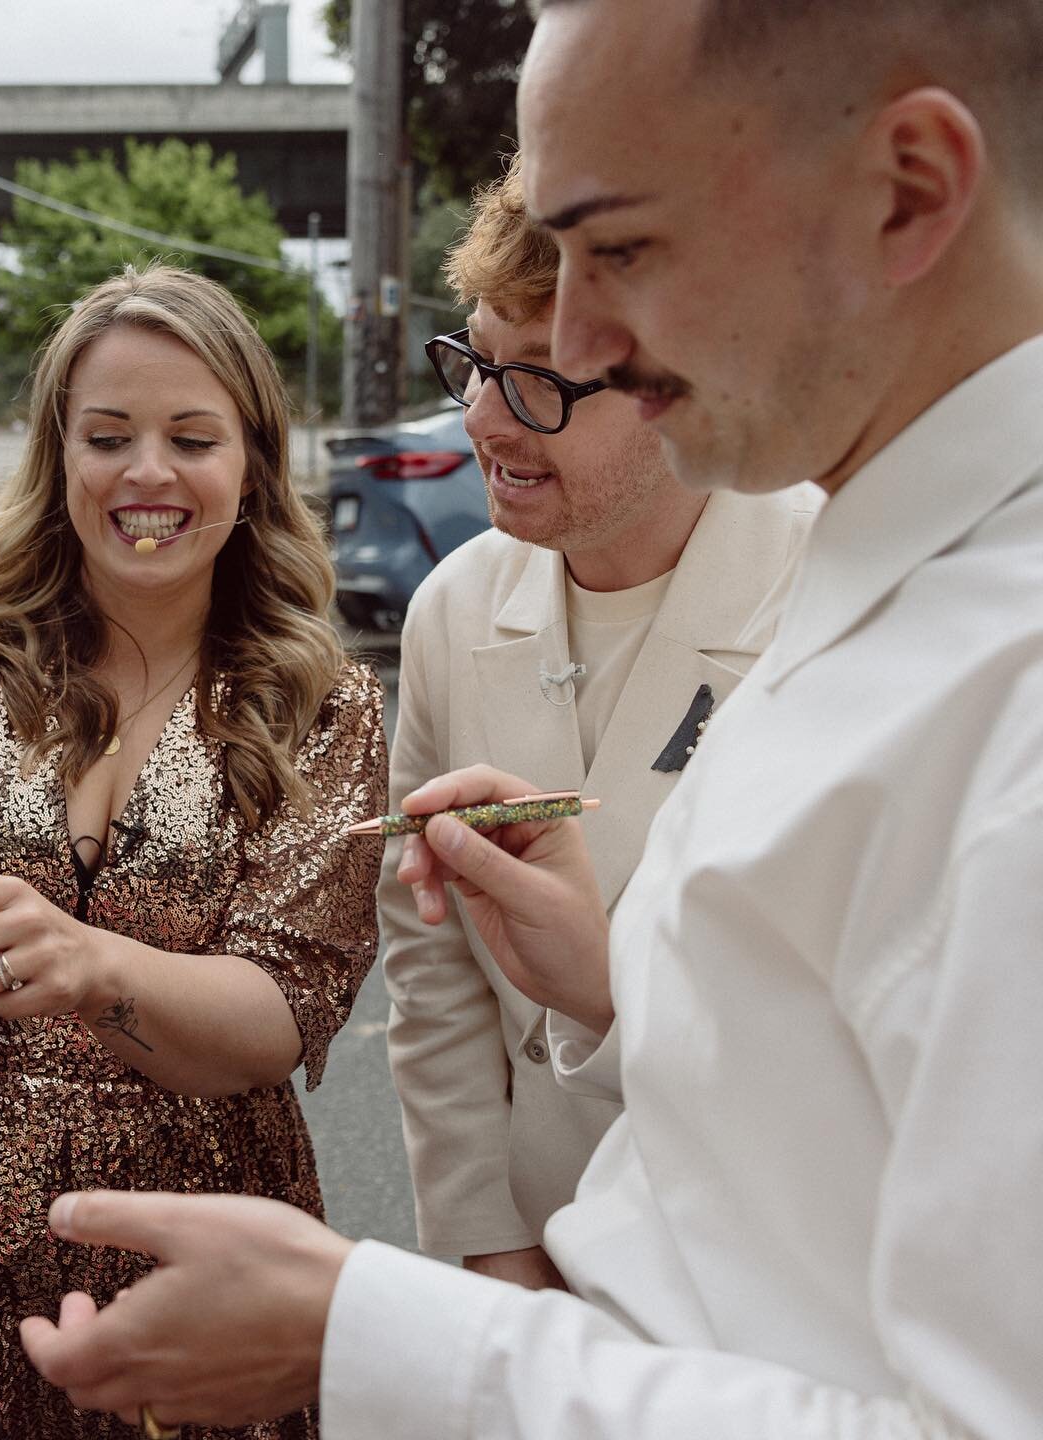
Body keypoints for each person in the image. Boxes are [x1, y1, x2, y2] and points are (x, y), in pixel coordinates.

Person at [17, 1, 1043, 1435]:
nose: (583, 343)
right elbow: (796, 1147)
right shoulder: (893, 564)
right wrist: (610, 989)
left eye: (619, 247)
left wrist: (372, 1334)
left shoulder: (1009, 704)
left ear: (910, 191)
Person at [0, 263, 389, 1440]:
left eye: (193, 436)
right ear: (57, 455)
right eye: (109, 435)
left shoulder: (321, 705)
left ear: (253, 463)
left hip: (197, 1234)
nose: (149, 474)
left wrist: (92, 965)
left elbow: (283, 1011)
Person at [384, 152, 816, 1286]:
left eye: (538, 380)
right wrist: (491, 1247)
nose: (482, 418)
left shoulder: (837, 604)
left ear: (693, 383)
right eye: (474, 359)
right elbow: (433, 981)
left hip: (760, 1269)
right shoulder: (452, 608)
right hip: (534, 1253)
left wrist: (605, 993)